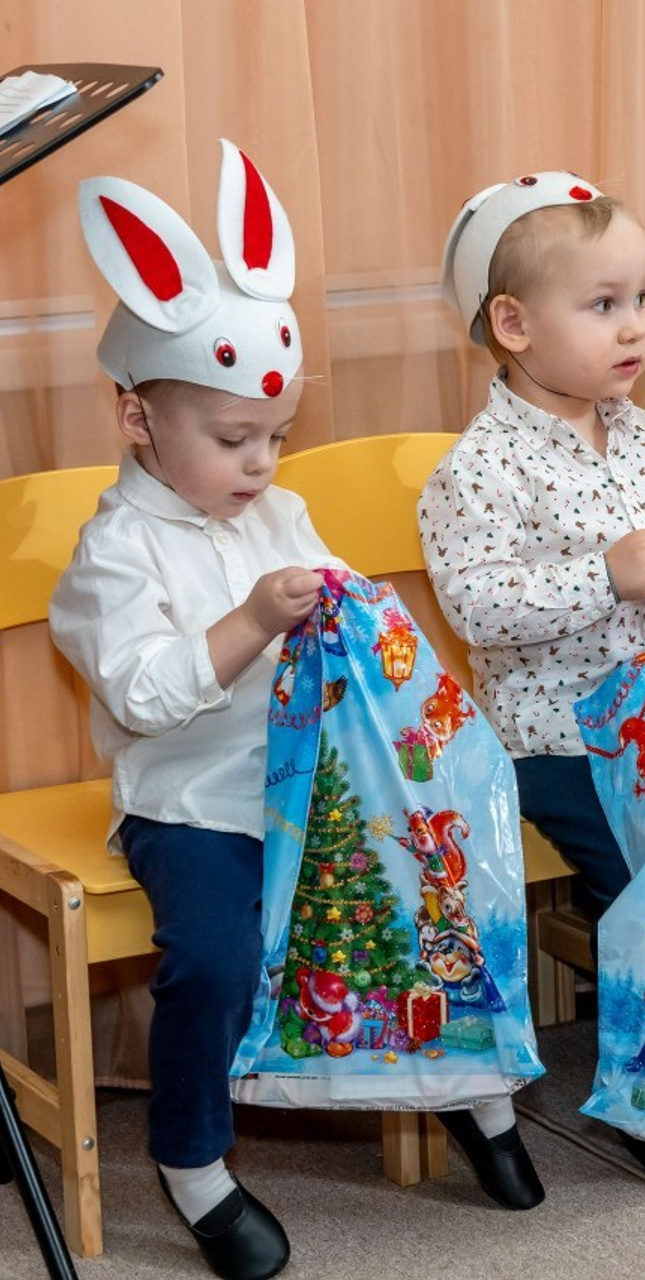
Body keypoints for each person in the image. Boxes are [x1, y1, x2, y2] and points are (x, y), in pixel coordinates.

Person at [50, 146, 537, 1280]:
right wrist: (249, 622)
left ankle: (463, 1084)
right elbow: (143, 691)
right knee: (215, 956)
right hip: (196, 803)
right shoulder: (111, 553)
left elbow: (342, 631)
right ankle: (193, 1162)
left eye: (274, 433)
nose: (263, 461)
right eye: (233, 439)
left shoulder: (284, 507)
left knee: (440, 883)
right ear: (137, 418)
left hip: (316, 787)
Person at [425, 171, 645, 1193]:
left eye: (642, 299)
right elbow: (476, 607)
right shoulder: (478, 467)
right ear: (512, 323)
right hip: (560, 739)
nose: (634, 328)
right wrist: (603, 573)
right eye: (602, 304)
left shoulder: (641, 433)